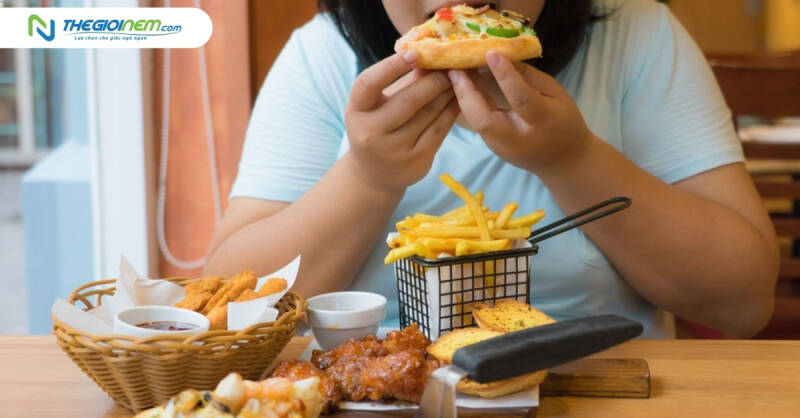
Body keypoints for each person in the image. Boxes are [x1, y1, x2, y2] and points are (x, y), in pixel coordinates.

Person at [204, 0, 778, 338]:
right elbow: (229, 310)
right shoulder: (322, 55)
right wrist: (366, 178)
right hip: (371, 387)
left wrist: (572, 158)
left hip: (600, 385)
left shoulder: (639, 35)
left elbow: (744, 301)